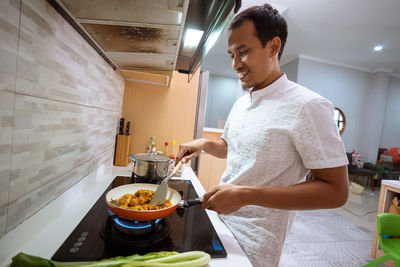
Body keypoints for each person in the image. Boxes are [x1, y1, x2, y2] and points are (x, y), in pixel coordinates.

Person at [175, 4, 349, 267]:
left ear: (273, 46)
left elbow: (336, 192)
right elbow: (233, 146)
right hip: (219, 222)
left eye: (243, 52)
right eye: (232, 54)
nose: (235, 64)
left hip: (254, 245)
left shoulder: (308, 106)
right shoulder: (243, 102)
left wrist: (247, 195)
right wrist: (205, 144)